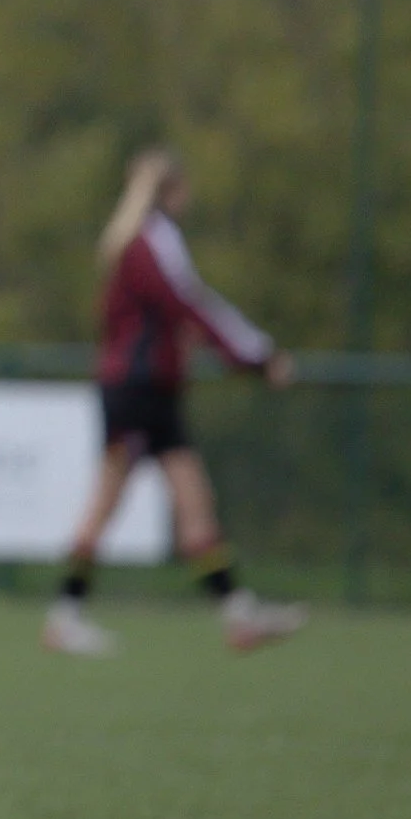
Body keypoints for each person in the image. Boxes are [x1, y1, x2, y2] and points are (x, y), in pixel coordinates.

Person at [42, 152, 306, 657]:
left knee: (194, 503)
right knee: (106, 505)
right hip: (136, 391)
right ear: (173, 191)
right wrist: (256, 357)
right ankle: (64, 618)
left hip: (153, 391)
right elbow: (189, 305)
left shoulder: (147, 241)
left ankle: (238, 615)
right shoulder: (147, 244)